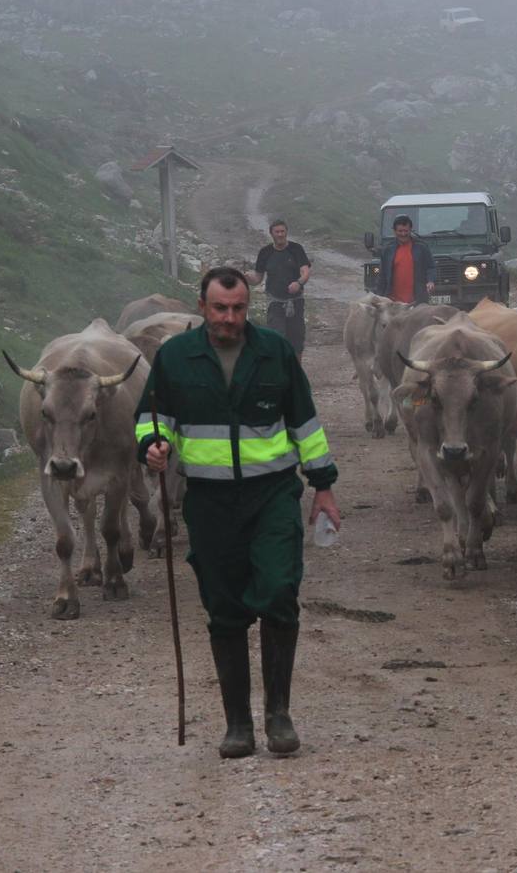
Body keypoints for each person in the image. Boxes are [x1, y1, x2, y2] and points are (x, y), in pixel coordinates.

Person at [135, 266, 342, 759]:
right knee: (224, 608)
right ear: (202, 306)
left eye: (238, 309)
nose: (230, 318)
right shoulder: (175, 357)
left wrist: (324, 486)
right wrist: (154, 445)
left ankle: (279, 715)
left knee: (278, 592)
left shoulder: (274, 351)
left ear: (247, 307)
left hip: (272, 495)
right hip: (207, 500)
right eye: (220, 309)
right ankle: (238, 724)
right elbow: (152, 418)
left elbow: (304, 423)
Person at [247, 220, 312, 358]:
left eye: (283, 231)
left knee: (296, 341)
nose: (280, 234)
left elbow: (305, 271)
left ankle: (296, 375)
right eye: (277, 232)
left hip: (296, 301)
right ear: (271, 234)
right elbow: (258, 278)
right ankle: (281, 374)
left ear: (286, 232)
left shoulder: (296, 249)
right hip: (275, 301)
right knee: (277, 338)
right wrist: (246, 278)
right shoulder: (265, 252)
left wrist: (299, 283)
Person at [370, 214, 436, 304]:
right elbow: (382, 276)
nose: (403, 234)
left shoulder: (422, 247)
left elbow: (431, 267)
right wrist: (378, 296)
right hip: (393, 302)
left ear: (410, 230)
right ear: (394, 231)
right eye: (400, 231)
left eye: (406, 231)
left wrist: (430, 281)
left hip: (417, 301)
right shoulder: (387, 250)